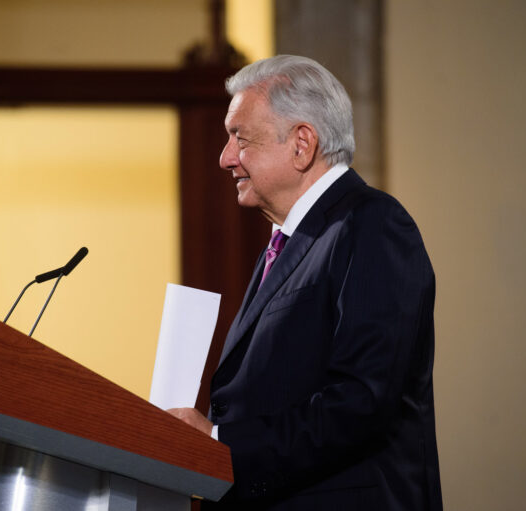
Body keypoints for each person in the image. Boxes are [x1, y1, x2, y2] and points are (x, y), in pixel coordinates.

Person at [168, 55, 443, 510]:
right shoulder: (291, 240)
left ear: (301, 144)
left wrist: (220, 443)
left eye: (240, 137)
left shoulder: (372, 225)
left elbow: (361, 402)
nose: (225, 158)